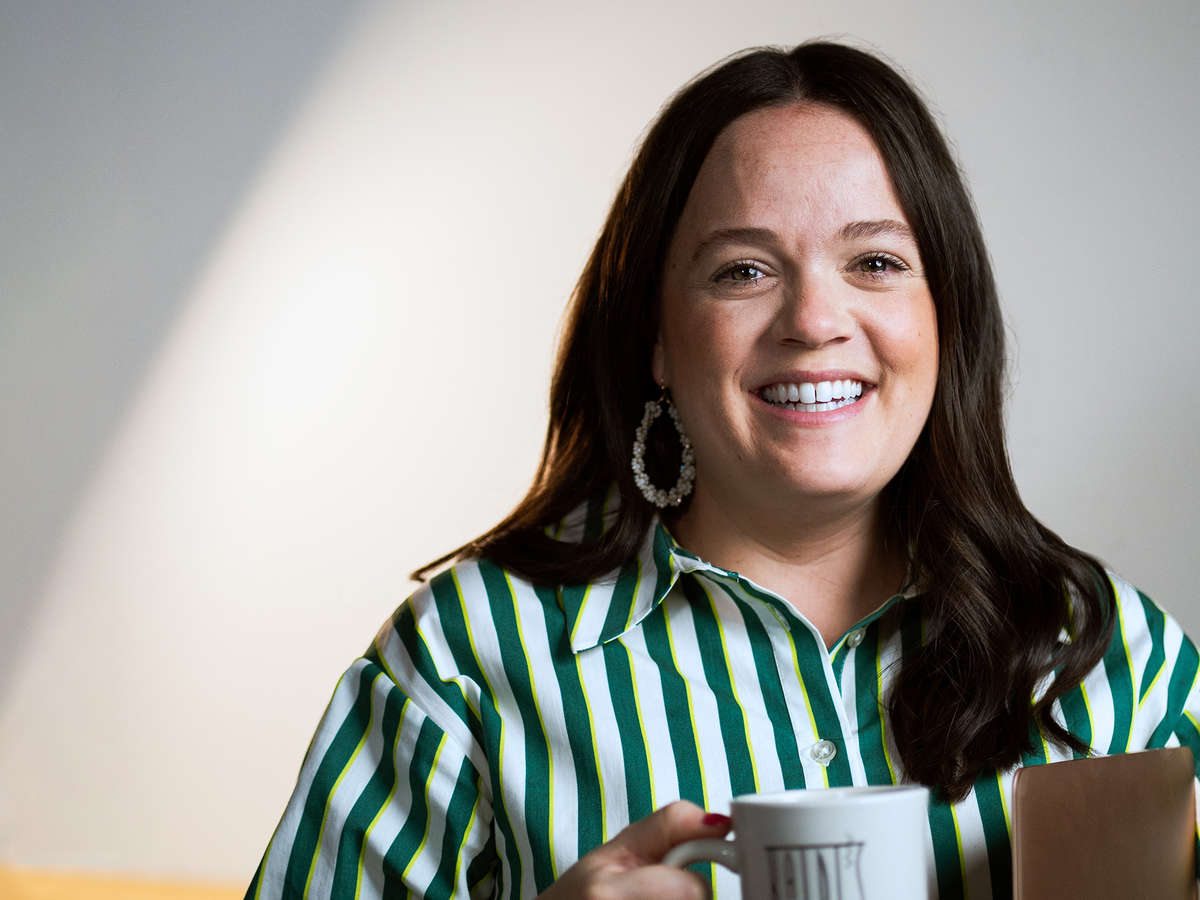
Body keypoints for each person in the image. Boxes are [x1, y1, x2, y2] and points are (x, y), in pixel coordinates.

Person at [244, 40, 1200, 900]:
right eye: (744, 270)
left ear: (944, 316)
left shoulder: (1114, 656)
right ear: (658, 336)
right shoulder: (462, 661)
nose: (815, 321)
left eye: (874, 262)